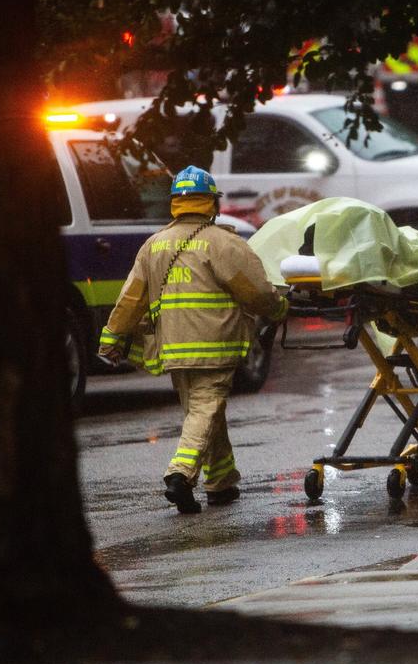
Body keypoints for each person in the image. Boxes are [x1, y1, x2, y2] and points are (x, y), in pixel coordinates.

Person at [98, 165, 288, 513]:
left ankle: (221, 482)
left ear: (175, 204)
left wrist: (110, 337)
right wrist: (279, 309)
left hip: (172, 347)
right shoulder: (223, 243)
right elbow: (258, 292)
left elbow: (130, 299)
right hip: (215, 345)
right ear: (212, 203)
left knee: (205, 410)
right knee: (206, 407)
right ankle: (180, 474)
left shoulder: (153, 245)